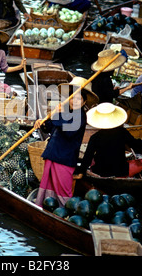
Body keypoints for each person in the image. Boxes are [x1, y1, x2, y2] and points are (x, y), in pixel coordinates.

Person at [34, 77, 99, 207]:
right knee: (47, 189)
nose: (74, 101)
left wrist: (56, 115)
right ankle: (46, 209)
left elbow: (68, 132)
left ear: (84, 102)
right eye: (72, 97)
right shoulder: (65, 111)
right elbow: (50, 128)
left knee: (63, 192)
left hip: (64, 159)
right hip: (53, 155)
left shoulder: (80, 116)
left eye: (78, 99)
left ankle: (65, 212)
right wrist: (42, 123)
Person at [74, 103, 142, 178]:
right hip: (120, 171)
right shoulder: (122, 132)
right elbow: (136, 145)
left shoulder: (95, 137)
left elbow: (87, 159)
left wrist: (81, 172)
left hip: (100, 171)